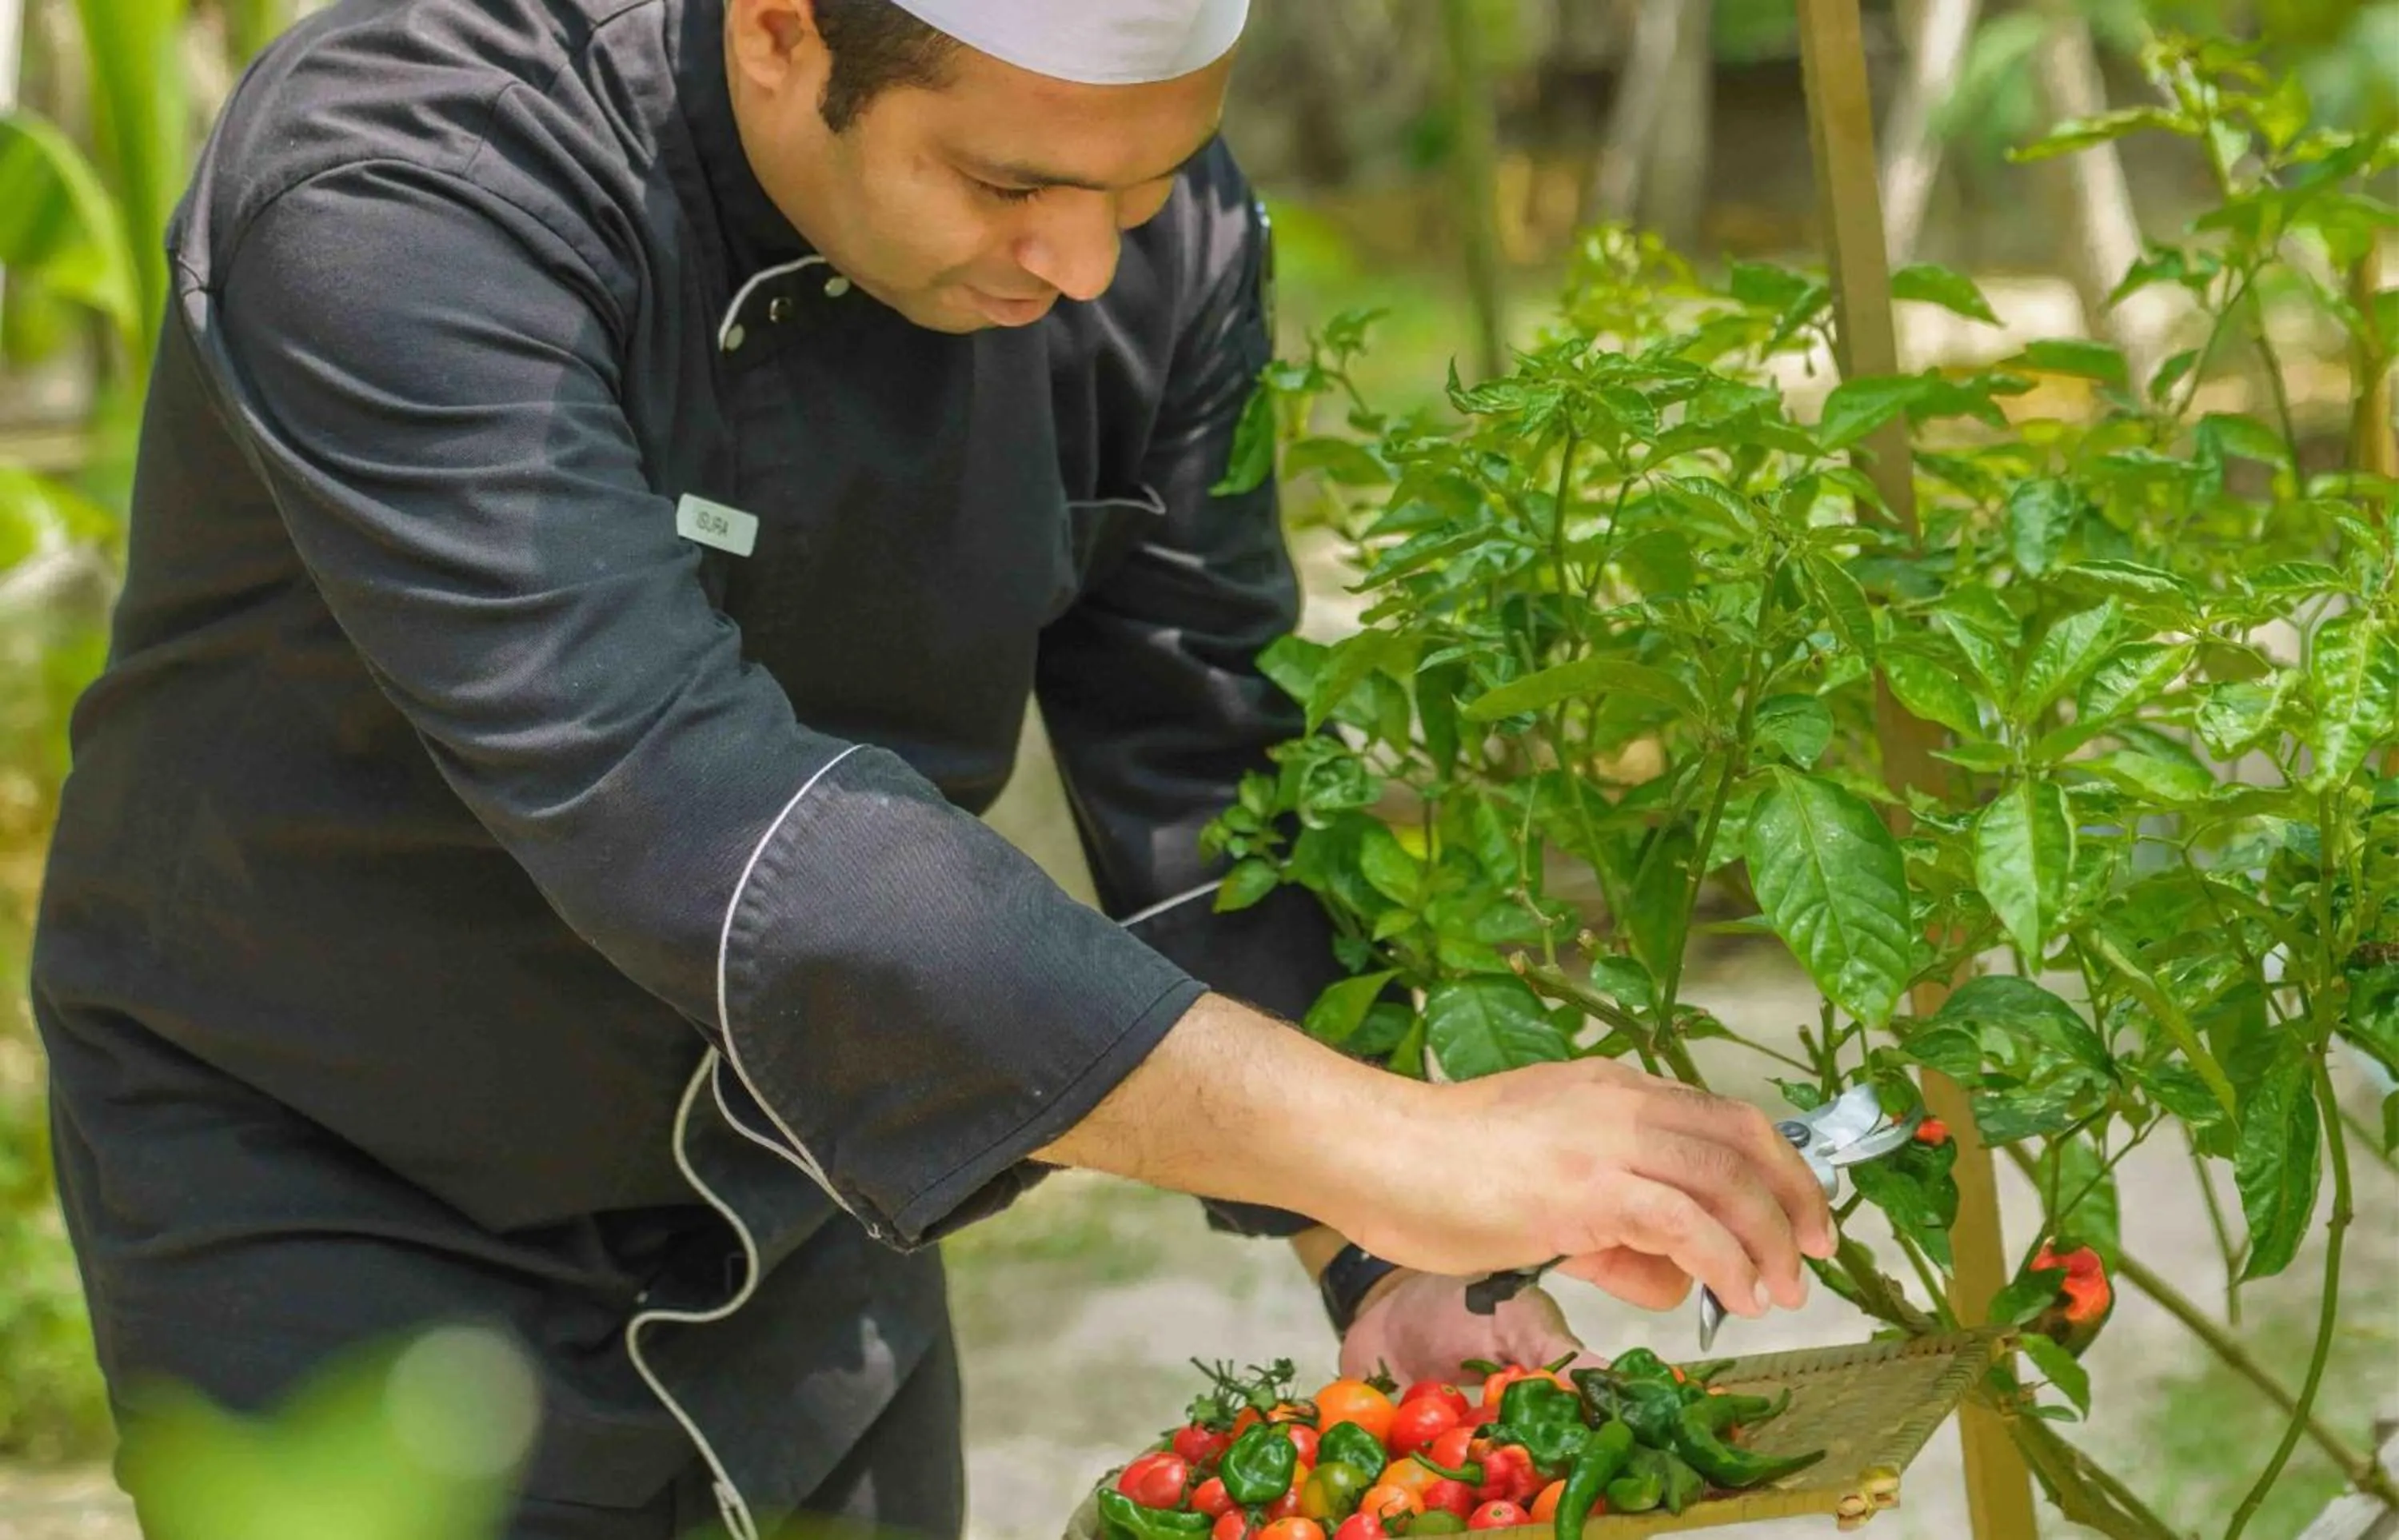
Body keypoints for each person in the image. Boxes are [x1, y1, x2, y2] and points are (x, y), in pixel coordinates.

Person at [28, 0, 1835, 1534]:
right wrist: (1399, 1147)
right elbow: (685, 803)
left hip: (812, 1180)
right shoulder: (406, 186)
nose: (1087, 268)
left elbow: (1208, 758)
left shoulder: (1157, 250)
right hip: (343, 1176)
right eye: (1012, 185)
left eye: (1143, 183)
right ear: (778, 28)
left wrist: (1386, 1251)